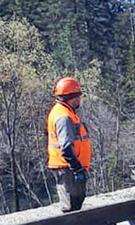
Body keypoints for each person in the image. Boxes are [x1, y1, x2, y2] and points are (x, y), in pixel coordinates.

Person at [47, 77, 92, 212]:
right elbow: (66, 148)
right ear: (72, 97)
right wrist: (77, 169)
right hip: (68, 169)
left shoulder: (64, 112)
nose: (80, 100)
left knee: (75, 207)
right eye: (78, 96)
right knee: (71, 209)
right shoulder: (64, 117)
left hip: (68, 167)